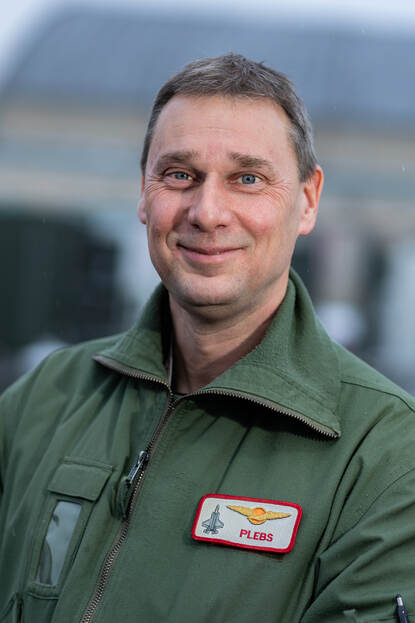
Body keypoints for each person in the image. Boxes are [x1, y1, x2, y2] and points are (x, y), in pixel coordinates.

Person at [0, 53, 414, 623]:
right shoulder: (44, 399)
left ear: (308, 200)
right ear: (143, 193)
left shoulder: (386, 454)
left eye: (248, 179)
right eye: (179, 175)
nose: (207, 212)